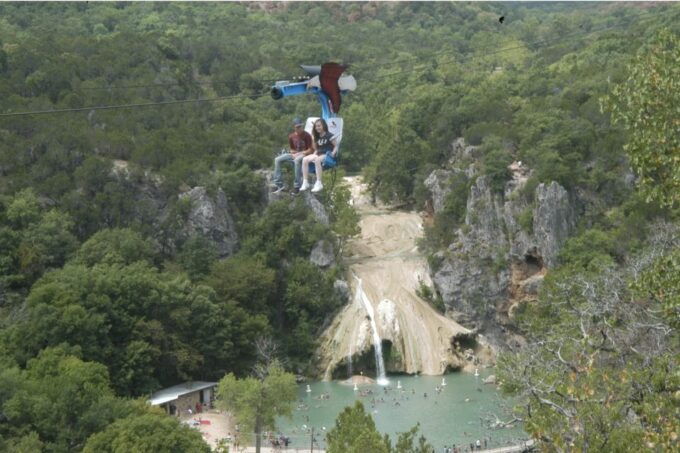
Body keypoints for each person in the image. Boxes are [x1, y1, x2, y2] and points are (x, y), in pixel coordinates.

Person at [272, 117, 313, 194]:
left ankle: (297, 186)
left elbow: (310, 150)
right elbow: (292, 149)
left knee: (297, 161)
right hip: (295, 154)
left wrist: (300, 154)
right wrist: (293, 153)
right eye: (297, 127)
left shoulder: (307, 135)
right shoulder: (291, 136)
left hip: (304, 154)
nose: (299, 128)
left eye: (300, 126)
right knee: (277, 159)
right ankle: (279, 184)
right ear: (294, 127)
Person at [300, 118, 338, 193]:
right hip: (319, 153)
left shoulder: (329, 135)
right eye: (316, 126)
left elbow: (336, 146)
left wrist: (333, 153)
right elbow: (316, 149)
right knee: (305, 160)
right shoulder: (317, 137)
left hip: (327, 154)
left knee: (317, 160)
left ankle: (319, 182)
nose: (317, 128)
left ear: (323, 126)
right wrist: (312, 155)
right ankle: (305, 182)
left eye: (319, 126)